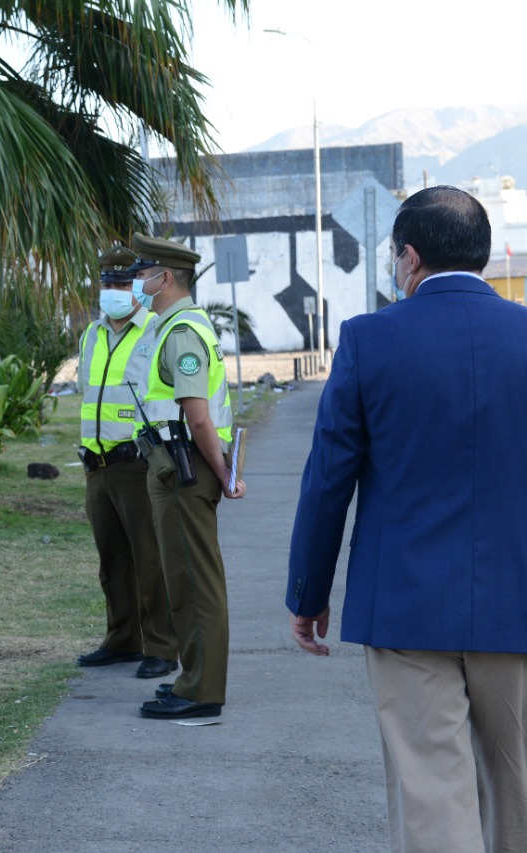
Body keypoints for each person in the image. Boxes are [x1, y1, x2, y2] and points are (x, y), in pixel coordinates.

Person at [287, 185, 527, 852]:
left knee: (431, 793)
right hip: (518, 596)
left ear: (410, 257)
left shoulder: (369, 340)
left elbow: (327, 482)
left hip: (406, 603)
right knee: (520, 785)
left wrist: (307, 594)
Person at [127, 233, 245, 720]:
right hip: (181, 463)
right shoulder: (180, 325)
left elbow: (198, 417)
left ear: (165, 278)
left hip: (184, 466)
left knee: (194, 583)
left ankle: (201, 691)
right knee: (188, 579)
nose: (135, 282)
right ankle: (194, 680)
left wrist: (222, 473)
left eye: (142, 273)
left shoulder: (182, 333)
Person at [75, 245, 177, 680]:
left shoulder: (155, 332)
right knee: (111, 559)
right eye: (107, 284)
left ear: (139, 287)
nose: (113, 292)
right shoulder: (91, 334)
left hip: (136, 462)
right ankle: (121, 640)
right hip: (96, 465)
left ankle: (161, 646)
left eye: (122, 284)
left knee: (149, 559)